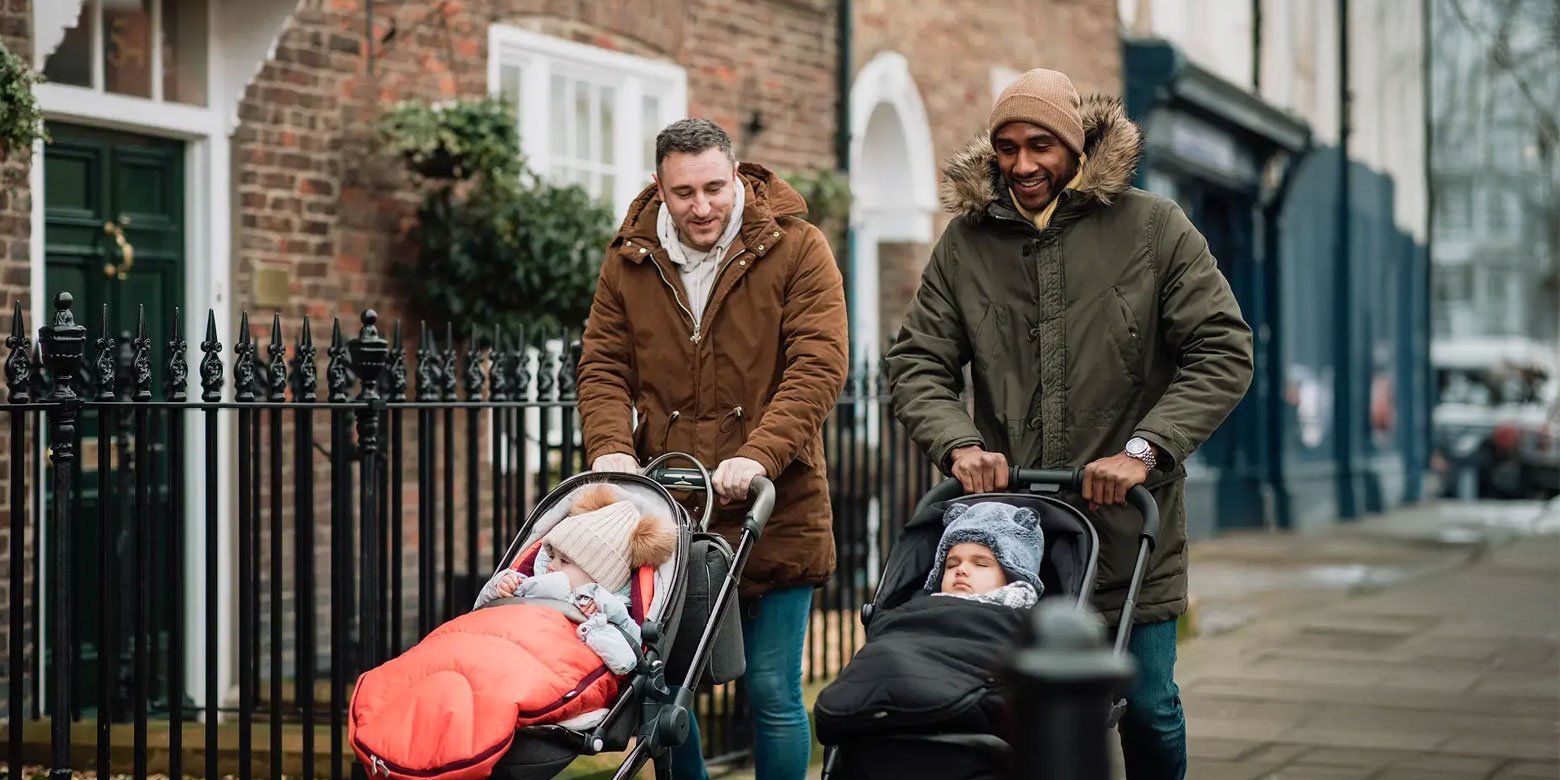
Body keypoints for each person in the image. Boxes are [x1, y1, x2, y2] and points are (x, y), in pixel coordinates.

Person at [884, 68, 1255, 780]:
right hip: (1013, 533)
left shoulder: (1154, 229)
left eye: (1041, 145)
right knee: (1006, 712)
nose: (1023, 164)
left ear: (1078, 145)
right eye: (1007, 147)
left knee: (1146, 706)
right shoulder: (967, 245)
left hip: (1125, 529)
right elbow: (917, 362)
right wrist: (959, 442)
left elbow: (1223, 350)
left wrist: (1145, 450)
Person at [576, 118, 850, 779]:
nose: (702, 207)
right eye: (683, 193)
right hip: (672, 512)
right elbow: (604, 364)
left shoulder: (797, 248)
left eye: (714, 188)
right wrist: (611, 447)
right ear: (658, 188)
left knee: (772, 689)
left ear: (737, 177)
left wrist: (759, 455)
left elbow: (819, 362)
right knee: (664, 689)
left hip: (774, 502)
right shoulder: (629, 259)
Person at [472, 484, 677, 675]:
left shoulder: (615, 615)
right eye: (553, 556)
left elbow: (625, 662)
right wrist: (499, 586)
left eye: (565, 561)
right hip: (503, 647)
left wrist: (596, 627)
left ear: (598, 576)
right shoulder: (530, 582)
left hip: (551, 667)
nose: (551, 565)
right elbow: (480, 613)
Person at [927, 502, 1045, 609]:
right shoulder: (921, 606)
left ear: (1012, 576)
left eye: (980, 564)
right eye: (951, 565)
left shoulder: (1028, 625)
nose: (961, 570)